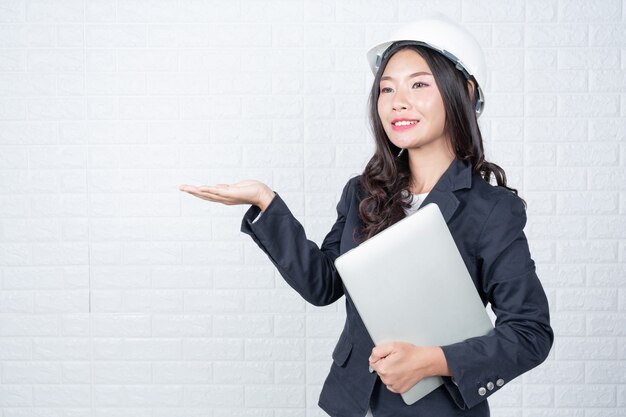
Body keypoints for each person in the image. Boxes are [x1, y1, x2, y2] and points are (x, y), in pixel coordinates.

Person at [180, 14, 553, 417]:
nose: (397, 101)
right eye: (386, 88)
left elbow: (529, 332)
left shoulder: (492, 210)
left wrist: (431, 361)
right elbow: (323, 284)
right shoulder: (364, 192)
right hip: (352, 402)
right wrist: (265, 201)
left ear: (463, 90)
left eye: (419, 84)